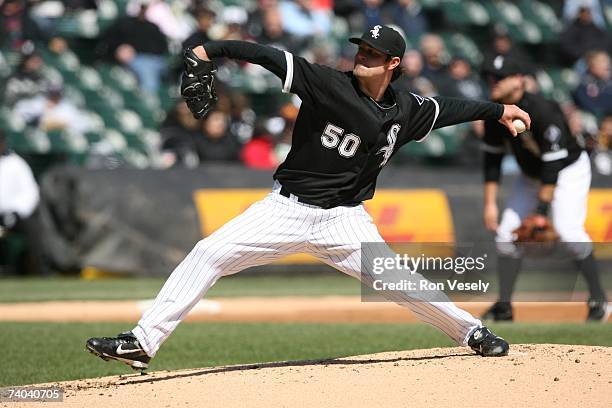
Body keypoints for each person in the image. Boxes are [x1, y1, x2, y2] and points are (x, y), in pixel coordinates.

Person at [86, 25, 531, 370]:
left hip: (345, 221)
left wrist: (499, 111)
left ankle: (472, 333)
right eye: (361, 49)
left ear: (393, 63)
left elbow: (451, 109)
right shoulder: (327, 83)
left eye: (373, 54)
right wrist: (208, 50)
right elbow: (267, 55)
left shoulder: (406, 110)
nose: (363, 56)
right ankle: (142, 343)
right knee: (208, 253)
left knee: (402, 283)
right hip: (286, 210)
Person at [479, 55, 610, 322]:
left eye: (499, 77)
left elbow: (553, 166)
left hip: (567, 170)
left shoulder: (543, 109)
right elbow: (492, 159)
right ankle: (504, 306)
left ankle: (599, 299)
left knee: (568, 230)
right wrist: (490, 203)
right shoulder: (493, 112)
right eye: (489, 76)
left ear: (518, 80)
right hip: (531, 176)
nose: (492, 81)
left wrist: (541, 210)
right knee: (505, 235)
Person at [0, 130, 48, 276]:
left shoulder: (15, 163)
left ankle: (42, 269)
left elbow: (30, 193)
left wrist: (16, 212)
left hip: (14, 215)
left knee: (36, 228)